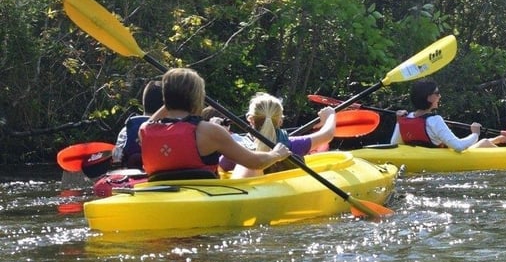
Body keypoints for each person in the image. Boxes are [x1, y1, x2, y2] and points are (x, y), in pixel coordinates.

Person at [138, 68, 291, 181]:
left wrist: (171, 97)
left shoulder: (145, 131)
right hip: (203, 200)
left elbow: (151, 121)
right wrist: (276, 154)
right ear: (197, 97)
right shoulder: (208, 131)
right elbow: (255, 163)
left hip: (161, 198)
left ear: (165, 97)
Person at [220, 93, 338, 178]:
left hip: (250, 198)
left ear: (249, 119)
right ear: (280, 122)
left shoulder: (237, 148)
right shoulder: (292, 145)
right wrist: (330, 115)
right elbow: (327, 135)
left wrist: (221, 132)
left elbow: (221, 168)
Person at [390, 79, 497, 150]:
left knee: (486, 142)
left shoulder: (404, 119)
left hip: (422, 158)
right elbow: (458, 146)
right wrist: (475, 134)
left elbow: (394, 144)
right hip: (439, 159)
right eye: (437, 93)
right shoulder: (435, 120)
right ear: (429, 98)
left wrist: (398, 122)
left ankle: (498, 139)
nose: (440, 96)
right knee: (485, 142)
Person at [111, 79, 163, 169]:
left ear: (143, 102)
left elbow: (117, 157)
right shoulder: (167, 129)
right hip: (158, 173)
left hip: (131, 174)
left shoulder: (126, 130)